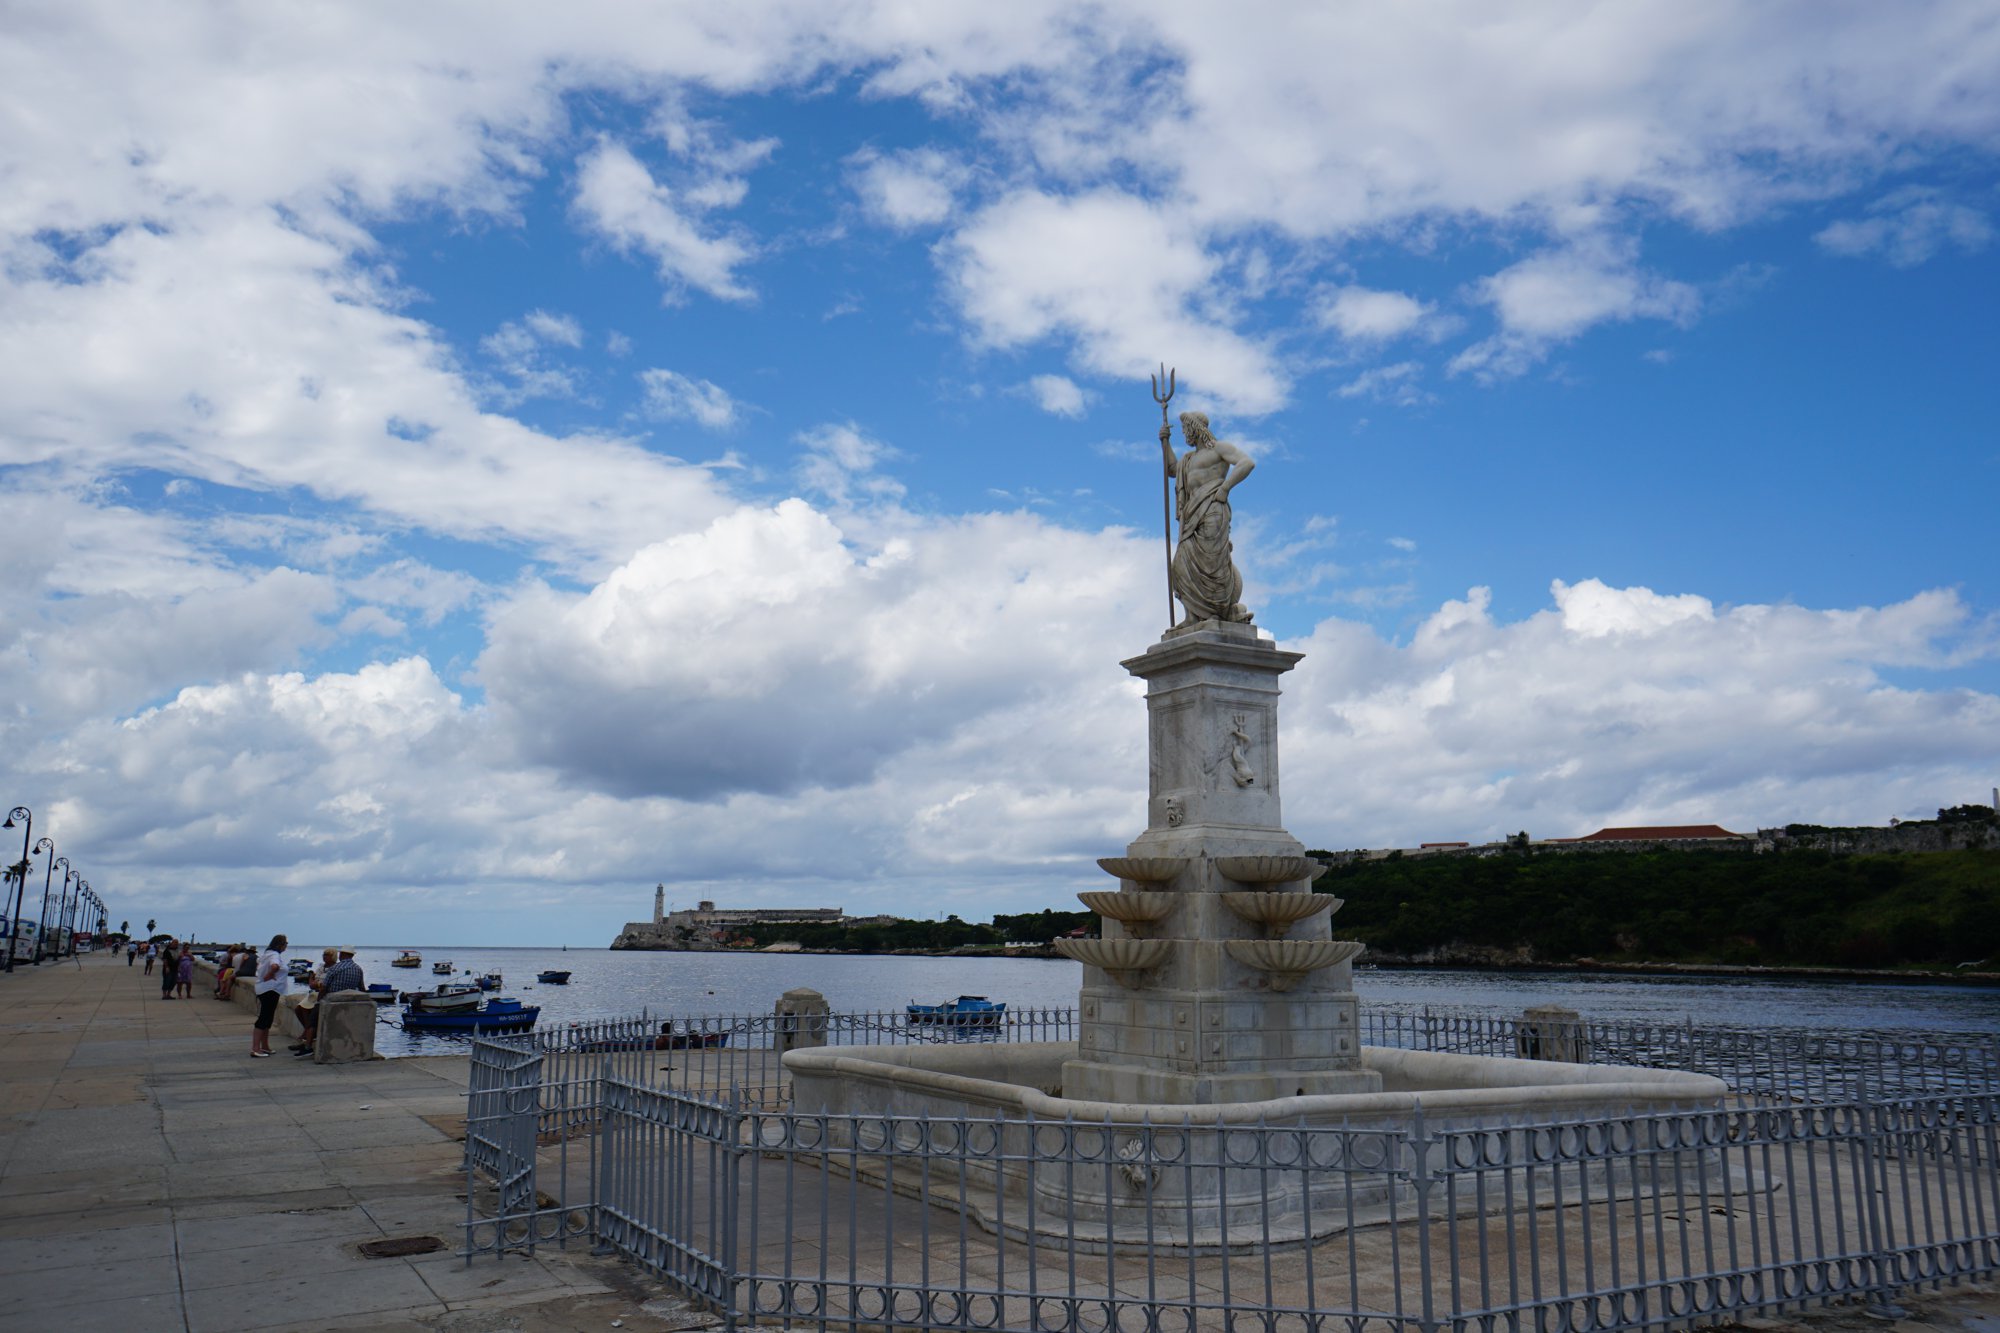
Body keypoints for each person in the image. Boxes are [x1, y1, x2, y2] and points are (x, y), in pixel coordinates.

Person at [1158, 409, 1256, 625]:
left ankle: (1218, 609)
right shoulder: (1188, 459)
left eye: (1185, 429)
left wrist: (1225, 488)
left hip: (1213, 509)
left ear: (1194, 428)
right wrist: (1165, 443)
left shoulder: (1220, 448)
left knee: (1213, 562)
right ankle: (1193, 616)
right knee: (1181, 563)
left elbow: (1246, 463)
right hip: (1191, 516)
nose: (1184, 434)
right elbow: (1172, 470)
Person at [250, 934, 289, 1058]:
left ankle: (265, 1046)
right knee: (264, 1018)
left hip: (265, 989)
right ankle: (255, 1048)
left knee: (268, 1018)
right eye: (285, 944)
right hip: (270, 989)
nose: (286, 946)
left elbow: (259, 967)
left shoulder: (266, 954)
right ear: (280, 945)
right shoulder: (274, 955)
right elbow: (274, 966)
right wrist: (270, 974)